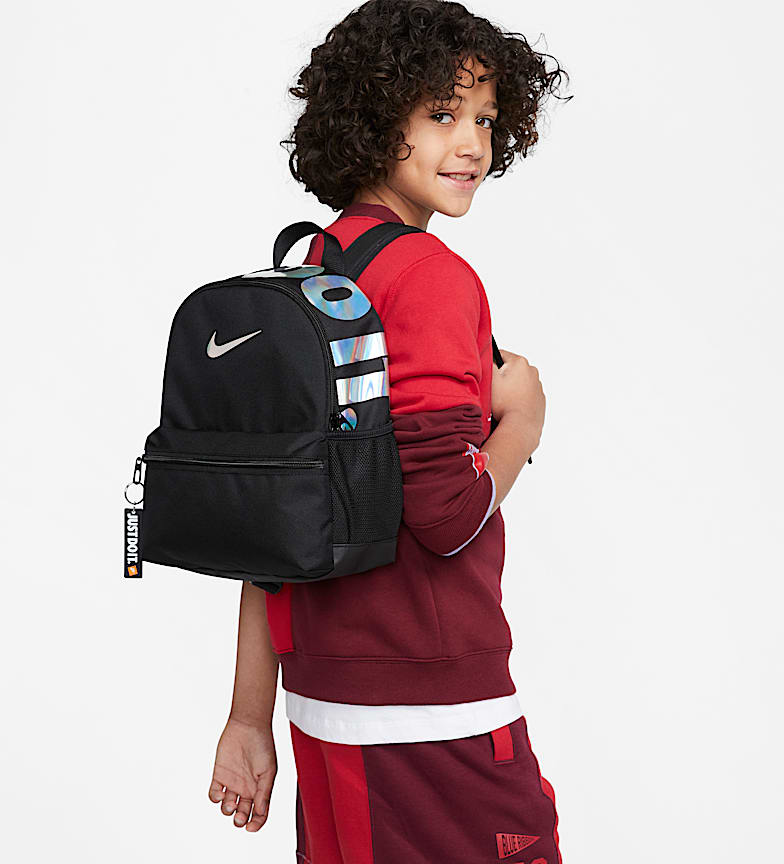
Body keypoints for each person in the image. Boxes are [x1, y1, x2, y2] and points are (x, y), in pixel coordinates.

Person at [208, 1, 571, 860]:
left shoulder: (315, 267)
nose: (472, 144)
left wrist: (248, 717)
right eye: (442, 114)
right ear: (375, 118)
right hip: (435, 710)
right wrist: (524, 419)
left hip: (325, 706)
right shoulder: (433, 276)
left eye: (486, 118)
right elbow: (445, 513)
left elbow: (274, 523)